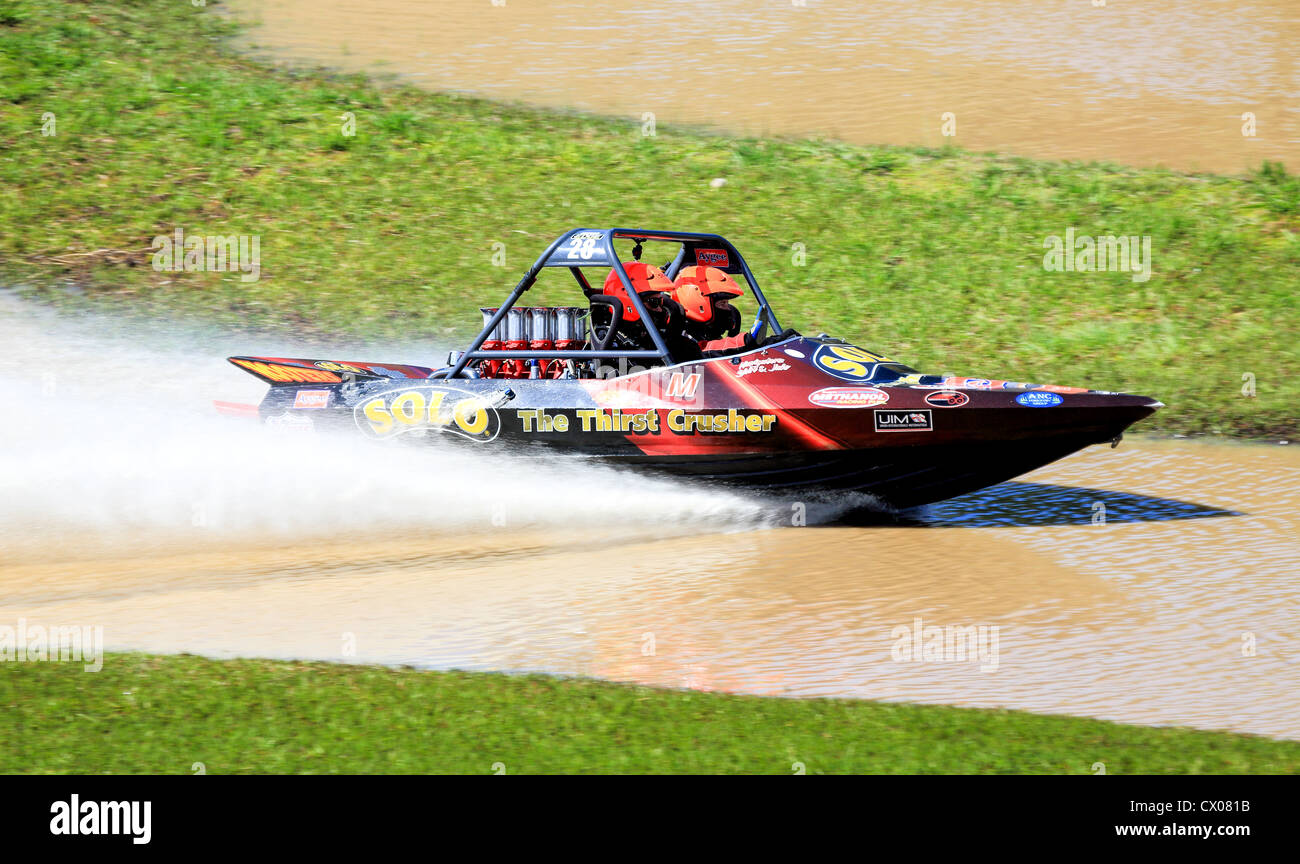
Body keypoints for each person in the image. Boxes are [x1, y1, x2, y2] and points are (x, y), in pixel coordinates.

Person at [599, 262, 702, 361]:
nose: (660, 309)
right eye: (654, 302)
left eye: (661, 301)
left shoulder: (674, 344)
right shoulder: (611, 345)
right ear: (628, 303)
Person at [671, 265, 757, 356]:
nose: (728, 309)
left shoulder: (707, 332)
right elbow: (703, 349)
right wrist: (744, 341)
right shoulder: (681, 337)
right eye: (723, 303)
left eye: (727, 303)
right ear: (699, 304)